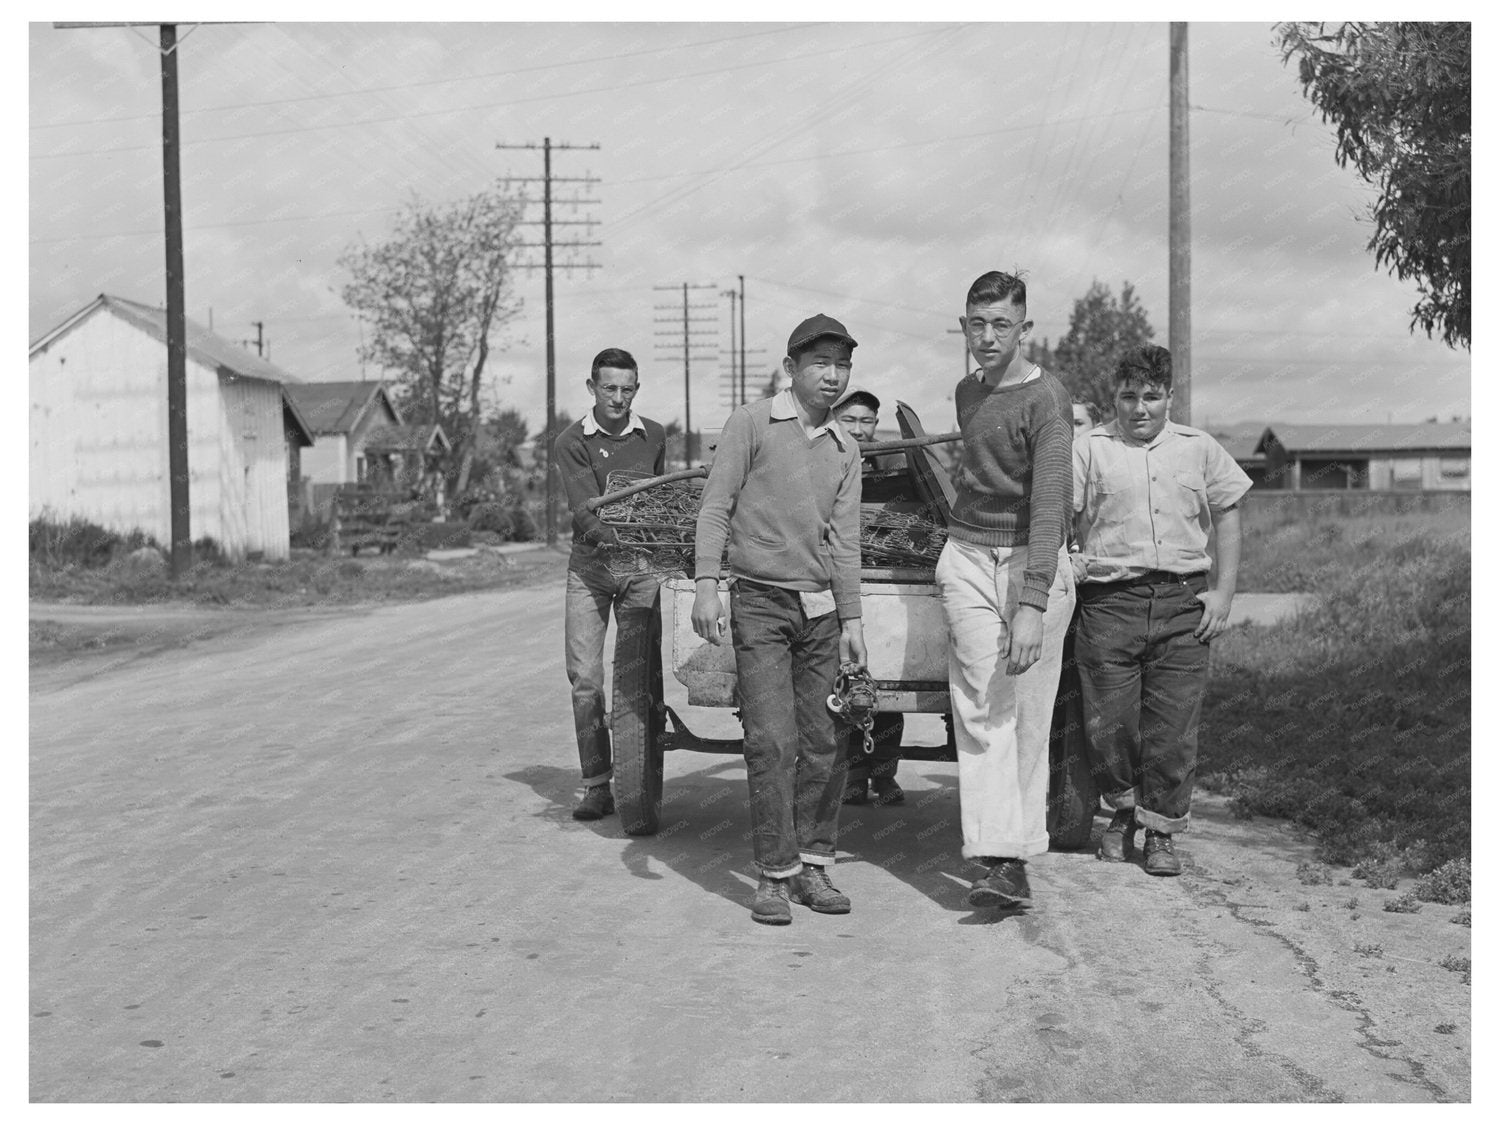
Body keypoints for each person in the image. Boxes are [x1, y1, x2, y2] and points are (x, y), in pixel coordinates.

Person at [692, 314, 867, 926]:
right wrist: (707, 586)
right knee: (771, 739)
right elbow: (716, 507)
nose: (832, 374)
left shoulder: (847, 449)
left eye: (842, 364)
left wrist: (853, 619)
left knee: (824, 741)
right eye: (820, 362)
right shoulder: (752, 422)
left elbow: (846, 541)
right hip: (760, 603)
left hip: (820, 612)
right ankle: (773, 874)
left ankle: (815, 866)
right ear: (791, 368)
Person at [1072, 344, 1249, 875]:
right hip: (1108, 602)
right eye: (1129, 396)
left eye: (1152, 396)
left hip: (1182, 602)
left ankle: (1160, 834)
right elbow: (1056, 514)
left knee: (1173, 727)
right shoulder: (1088, 448)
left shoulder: (1199, 448)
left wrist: (1224, 593)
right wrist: (1069, 561)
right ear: (1115, 397)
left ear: (1169, 396)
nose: (1140, 407)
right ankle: (1124, 813)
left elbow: (1229, 514)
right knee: (1109, 722)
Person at [937, 270, 1075, 910]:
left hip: (1031, 560)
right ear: (964, 325)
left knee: (1028, 716)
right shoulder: (966, 392)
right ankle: (997, 857)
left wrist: (1033, 603)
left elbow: (1050, 505)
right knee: (981, 708)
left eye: (1001, 325)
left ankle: (1013, 855)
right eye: (976, 323)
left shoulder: (1047, 397)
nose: (987, 337)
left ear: (1023, 327)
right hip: (966, 555)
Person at [554, 348, 667, 821]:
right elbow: (585, 510)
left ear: (636, 389)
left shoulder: (654, 435)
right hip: (591, 570)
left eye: (627, 389)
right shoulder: (570, 441)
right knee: (585, 681)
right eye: (609, 388)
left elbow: (661, 497)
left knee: (639, 679)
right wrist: (622, 539)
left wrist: (655, 544)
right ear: (591, 388)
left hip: (642, 571)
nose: (618, 398)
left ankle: (640, 777)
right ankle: (597, 785)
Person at [831, 386, 905, 807]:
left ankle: (885, 775)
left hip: (883, 581)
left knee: (889, 684)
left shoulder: (892, 465)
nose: (859, 430)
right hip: (838, 581)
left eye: (867, 422)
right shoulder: (823, 458)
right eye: (850, 421)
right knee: (843, 685)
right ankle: (853, 776)